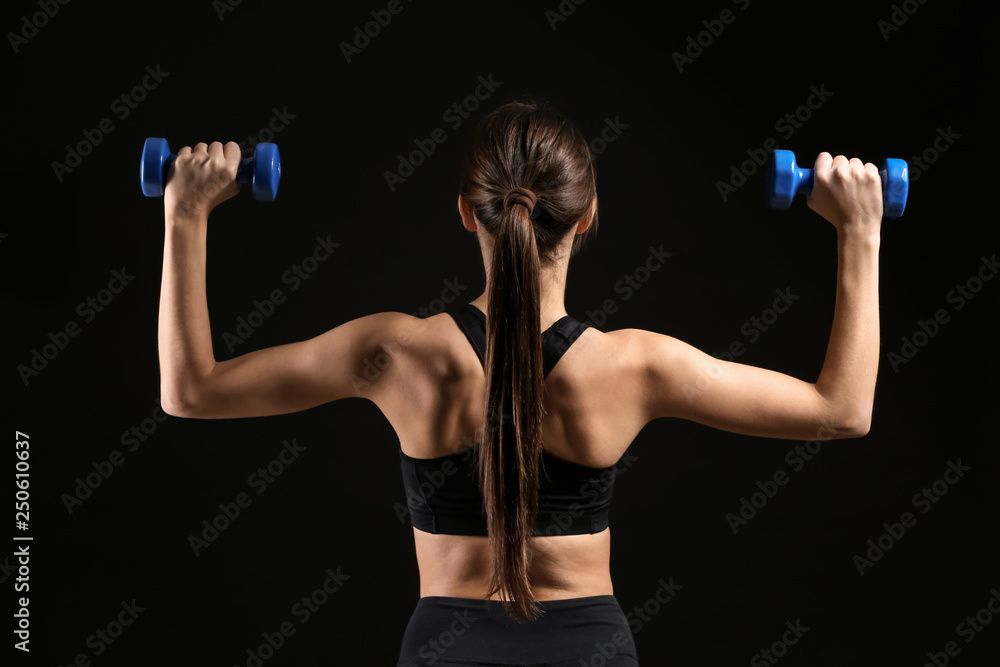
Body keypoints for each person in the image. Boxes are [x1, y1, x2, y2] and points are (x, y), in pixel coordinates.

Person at [157, 98, 883, 666]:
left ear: (468, 211)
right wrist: (861, 235)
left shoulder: (395, 352)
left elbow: (190, 390)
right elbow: (841, 408)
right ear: (589, 216)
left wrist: (186, 214)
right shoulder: (636, 366)